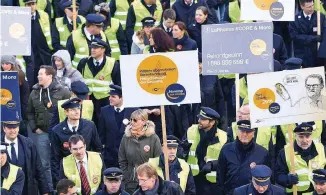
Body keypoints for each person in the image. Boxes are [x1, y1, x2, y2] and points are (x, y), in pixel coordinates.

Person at [27, 65, 70, 185]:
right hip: (42, 133)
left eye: (41, 74)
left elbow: (70, 109)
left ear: (50, 76)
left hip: (60, 134)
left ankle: (62, 187)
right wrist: (35, 128)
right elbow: (29, 112)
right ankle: (49, 189)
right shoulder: (34, 92)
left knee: (62, 161)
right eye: (38, 74)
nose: (38, 76)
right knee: (44, 163)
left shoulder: (63, 91)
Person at [51, 98, 102, 185]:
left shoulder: (89, 126)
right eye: (73, 110)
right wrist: (59, 181)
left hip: (88, 168)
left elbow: (98, 149)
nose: (77, 112)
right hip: (68, 170)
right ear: (66, 112)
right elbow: (54, 157)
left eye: (78, 109)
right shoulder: (57, 130)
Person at [217, 120, 269, 195]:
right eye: (242, 131)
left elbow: (267, 179)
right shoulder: (226, 149)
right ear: (237, 132)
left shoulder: (262, 153)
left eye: (248, 132)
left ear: (253, 133)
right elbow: (220, 177)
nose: (245, 134)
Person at [182, 107, 227, 195]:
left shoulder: (223, 136)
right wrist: (184, 150)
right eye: (199, 118)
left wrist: (212, 165)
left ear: (212, 122)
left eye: (203, 119)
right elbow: (180, 152)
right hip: (194, 178)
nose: (199, 120)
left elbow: (227, 160)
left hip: (213, 181)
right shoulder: (191, 130)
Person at [77, 38, 121, 126]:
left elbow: (118, 84)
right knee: (88, 124)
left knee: (105, 124)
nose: (92, 50)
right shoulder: (84, 62)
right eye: (91, 47)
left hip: (105, 100)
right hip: (88, 99)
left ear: (103, 49)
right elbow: (78, 81)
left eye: (96, 48)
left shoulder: (113, 63)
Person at [2, 121, 53, 195]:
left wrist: (44, 191)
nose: (12, 130)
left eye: (15, 127)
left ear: (18, 128)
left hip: (27, 189)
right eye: (9, 128)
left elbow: (38, 168)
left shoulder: (28, 143)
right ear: (4, 128)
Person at [118, 109, 161, 194]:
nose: (132, 122)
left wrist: (151, 179)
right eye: (131, 120)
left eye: (135, 120)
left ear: (144, 121)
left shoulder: (153, 138)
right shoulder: (126, 137)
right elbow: (122, 160)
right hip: (131, 182)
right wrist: (127, 176)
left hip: (148, 182)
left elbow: (158, 160)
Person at [275, 123, 326, 194]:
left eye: (307, 136)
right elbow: (278, 175)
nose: (304, 140)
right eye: (301, 137)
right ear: (295, 136)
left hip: (318, 192)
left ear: (311, 136)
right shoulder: (285, 152)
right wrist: (287, 180)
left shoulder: (322, 149)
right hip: (296, 192)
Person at [98, 84, 138, 168]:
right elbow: (101, 134)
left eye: (113, 96)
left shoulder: (133, 111)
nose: (110, 98)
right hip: (110, 156)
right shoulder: (104, 111)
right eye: (110, 96)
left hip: (128, 155)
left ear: (121, 98)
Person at [24, 0, 59, 86]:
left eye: (33, 4)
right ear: (25, 6)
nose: (31, 6)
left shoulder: (44, 15)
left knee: (46, 70)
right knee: (33, 71)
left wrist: (50, 47)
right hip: (30, 48)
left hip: (43, 48)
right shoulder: (22, 16)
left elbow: (49, 29)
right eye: (29, 4)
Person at [191, 53, 226, 129]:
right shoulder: (188, 79)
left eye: (200, 63)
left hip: (210, 119)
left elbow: (219, 98)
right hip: (193, 119)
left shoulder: (212, 76)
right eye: (195, 63)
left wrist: (221, 117)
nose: (198, 66)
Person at [289, 0, 326, 68]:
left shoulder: (321, 17)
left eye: (312, 5)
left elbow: (324, 34)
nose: (312, 8)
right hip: (302, 55)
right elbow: (294, 37)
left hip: (317, 56)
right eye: (309, 7)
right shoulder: (295, 20)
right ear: (302, 6)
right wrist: (314, 38)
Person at [1, 55, 30, 136]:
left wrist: (24, 115)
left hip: (18, 110)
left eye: (7, 64)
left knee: (20, 134)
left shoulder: (20, 75)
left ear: (12, 64)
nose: (4, 66)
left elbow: (24, 97)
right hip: (4, 110)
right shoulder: (1, 75)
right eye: (2, 64)